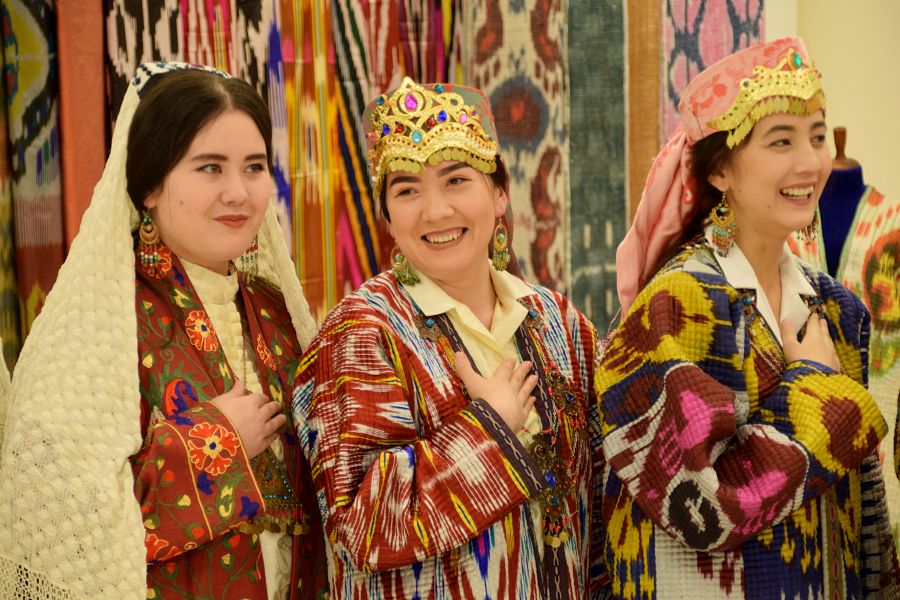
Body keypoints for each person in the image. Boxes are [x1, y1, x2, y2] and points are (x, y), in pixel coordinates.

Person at [0, 63, 325, 599]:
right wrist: (216, 442)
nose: (238, 193)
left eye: (254, 167)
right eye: (210, 168)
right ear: (151, 185)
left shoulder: (277, 314)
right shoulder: (102, 321)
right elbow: (56, 516)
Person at [596, 38, 899, 598]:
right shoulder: (678, 305)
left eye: (816, 136)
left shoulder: (836, 307)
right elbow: (698, 505)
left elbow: (864, 517)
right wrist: (814, 387)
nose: (810, 162)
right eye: (781, 141)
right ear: (720, 171)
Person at [292, 77, 607, 598]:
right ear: (387, 217)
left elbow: (601, 497)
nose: (435, 211)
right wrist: (490, 428)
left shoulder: (558, 322)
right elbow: (362, 529)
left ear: (500, 194)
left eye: (456, 180)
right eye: (407, 190)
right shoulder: (362, 333)